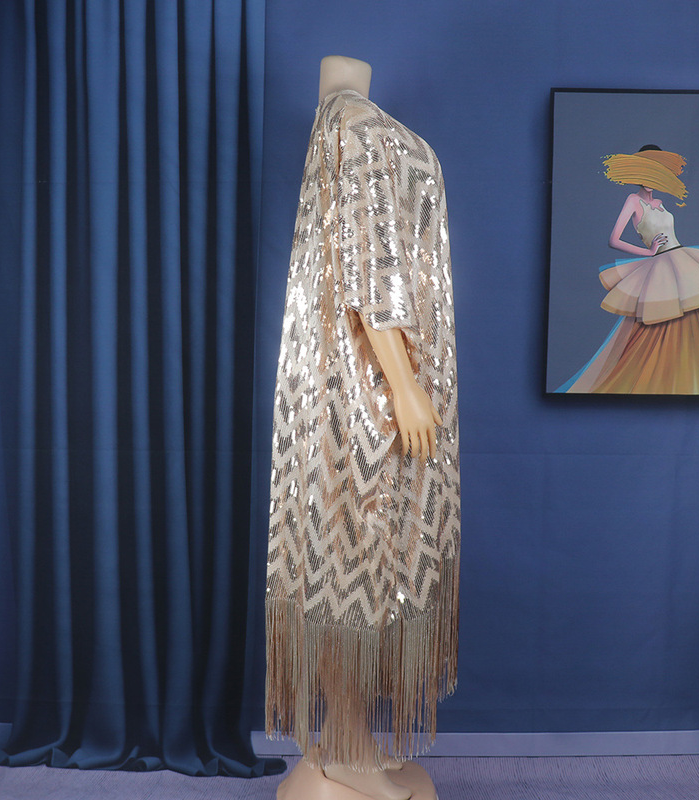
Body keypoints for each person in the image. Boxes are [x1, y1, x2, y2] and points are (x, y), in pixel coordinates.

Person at [265, 56, 460, 800]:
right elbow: (369, 270)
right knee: (357, 564)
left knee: (354, 567)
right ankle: (344, 749)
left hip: (342, 392)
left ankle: (349, 738)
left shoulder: (343, 127)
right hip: (367, 400)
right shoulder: (352, 127)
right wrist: (405, 387)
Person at [557, 145, 699, 394]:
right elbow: (614, 239)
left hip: (683, 260)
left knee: (697, 319)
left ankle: (692, 384)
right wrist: (649, 252)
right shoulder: (633, 200)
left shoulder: (661, 203)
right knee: (658, 329)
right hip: (661, 266)